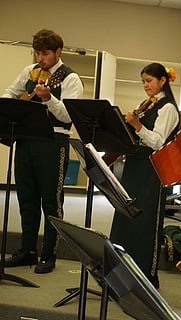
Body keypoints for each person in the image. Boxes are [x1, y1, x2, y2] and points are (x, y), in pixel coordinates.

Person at [2, 29, 84, 274]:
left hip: (53, 142)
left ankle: (49, 253)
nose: (40, 57)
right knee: (26, 199)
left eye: (45, 53)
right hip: (26, 140)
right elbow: (8, 93)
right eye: (37, 52)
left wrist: (49, 99)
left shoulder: (70, 78)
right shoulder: (29, 72)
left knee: (52, 201)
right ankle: (28, 250)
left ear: (58, 52)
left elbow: (69, 115)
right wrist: (15, 105)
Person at [109, 62, 180, 289]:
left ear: (162, 81)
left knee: (145, 222)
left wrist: (137, 126)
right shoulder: (148, 104)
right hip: (134, 167)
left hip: (151, 171)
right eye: (143, 82)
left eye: (149, 81)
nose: (145, 86)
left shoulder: (167, 108)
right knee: (127, 218)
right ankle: (122, 272)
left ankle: (145, 277)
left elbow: (158, 141)